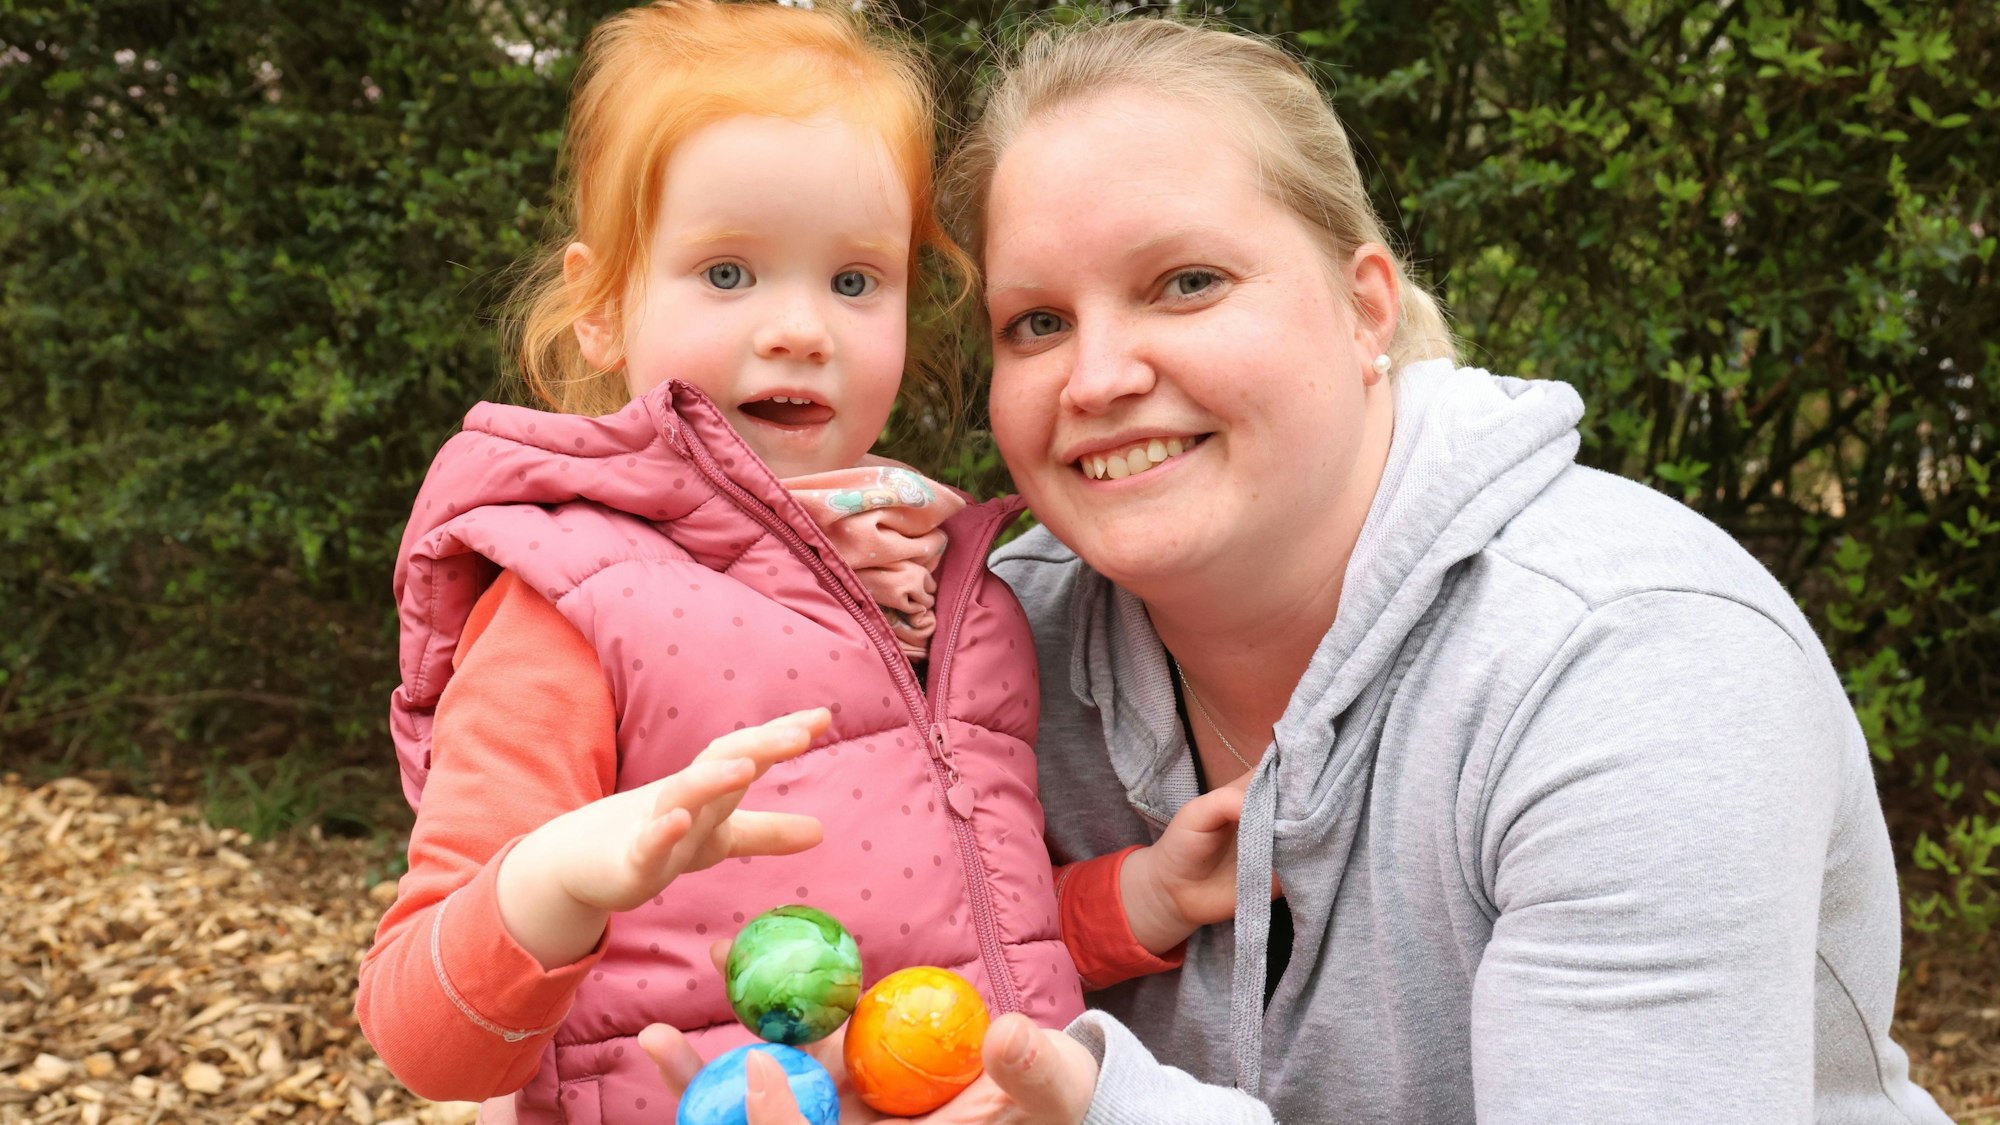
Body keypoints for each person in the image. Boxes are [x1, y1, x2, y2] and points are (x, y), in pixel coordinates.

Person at [643, 14, 1955, 1125]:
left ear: (1366, 305)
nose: (1098, 378)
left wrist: (1112, 1105)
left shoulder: (1631, 661)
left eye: (1186, 283)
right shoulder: (973, 667)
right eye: (1037, 321)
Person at [354, 3, 1108, 1120]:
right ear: (604, 305)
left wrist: (1130, 904)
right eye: (726, 273)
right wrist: (557, 879)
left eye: (855, 280)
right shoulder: (573, 599)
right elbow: (425, 1042)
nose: (801, 326)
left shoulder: (948, 587)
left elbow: (982, 917)